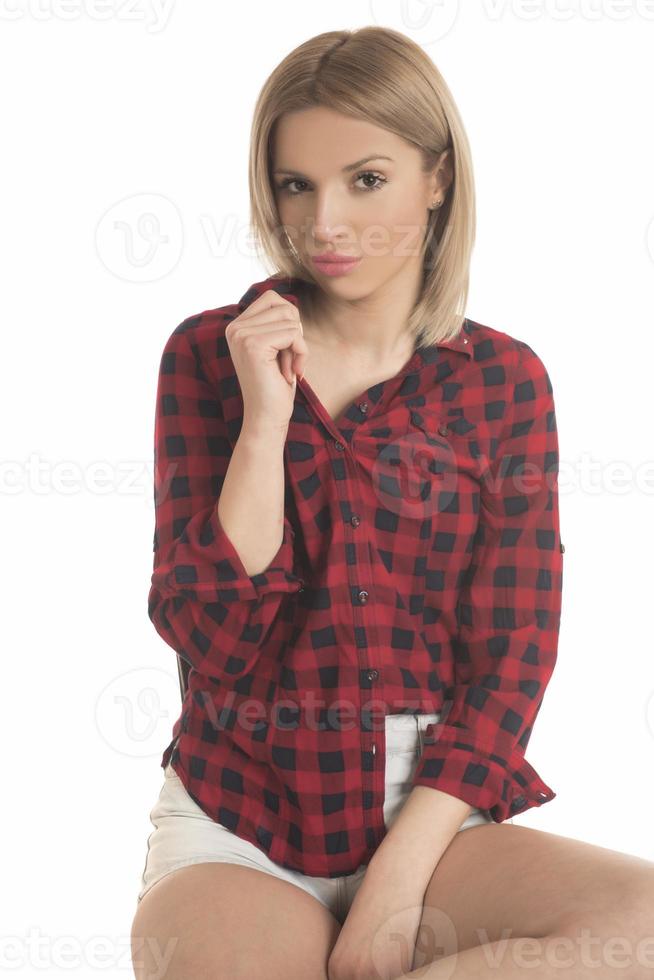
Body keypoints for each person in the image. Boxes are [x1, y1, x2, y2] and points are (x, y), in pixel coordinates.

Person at [131, 26, 654, 980]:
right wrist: (263, 421)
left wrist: (398, 878)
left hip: (434, 812)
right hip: (242, 810)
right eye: (297, 184)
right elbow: (211, 638)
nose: (326, 222)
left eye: (366, 179)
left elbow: (515, 660)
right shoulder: (210, 356)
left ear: (438, 178)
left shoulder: (503, 380)